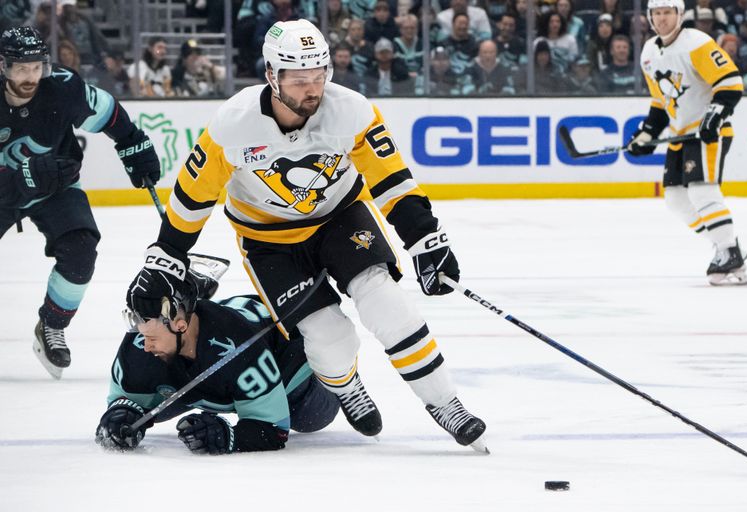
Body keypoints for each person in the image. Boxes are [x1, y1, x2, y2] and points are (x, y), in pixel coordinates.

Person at [125, 19, 487, 451]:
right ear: (271, 76)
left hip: (341, 217)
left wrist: (426, 238)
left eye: (319, 77)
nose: (312, 90)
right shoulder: (233, 124)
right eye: (299, 80)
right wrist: (168, 251)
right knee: (329, 338)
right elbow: (192, 197)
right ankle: (346, 383)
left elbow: (391, 180)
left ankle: (446, 403)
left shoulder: (351, 110)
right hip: (268, 240)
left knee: (387, 304)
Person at [0, 27, 161, 379]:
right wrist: (23, 175)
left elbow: (107, 112)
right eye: (21, 69)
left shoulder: (61, 87)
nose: (31, 77)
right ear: (3, 67)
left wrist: (133, 144)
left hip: (55, 188)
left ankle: (51, 326)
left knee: (81, 252)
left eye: (36, 68)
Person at [96, 268, 339, 453]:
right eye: (142, 335)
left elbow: (274, 430)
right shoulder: (141, 347)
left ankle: (342, 372)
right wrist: (121, 413)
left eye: (152, 338)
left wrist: (229, 437)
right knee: (146, 408)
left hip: (289, 370)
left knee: (311, 420)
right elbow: (123, 400)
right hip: (205, 372)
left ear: (181, 325)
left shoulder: (242, 350)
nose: (146, 346)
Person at [627, 0, 747, 286]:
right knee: (676, 200)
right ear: (649, 17)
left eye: (668, 12)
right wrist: (647, 133)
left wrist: (714, 117)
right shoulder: (648, 51)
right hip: (681, 136)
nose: (662, 19)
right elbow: (661, 101)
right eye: (657, 13)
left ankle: (729, 251)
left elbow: (730, 83)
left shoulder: (697, 43)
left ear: (680, 15)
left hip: (707, 133)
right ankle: (728, 248)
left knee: (702, 191)